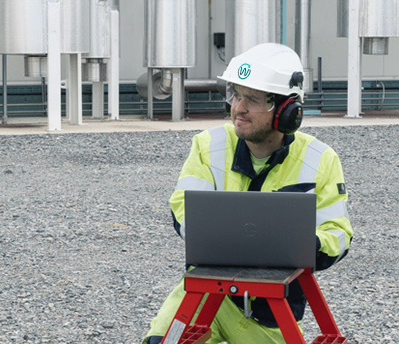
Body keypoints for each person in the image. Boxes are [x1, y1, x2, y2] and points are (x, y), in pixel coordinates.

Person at [142, 43, 354, 344]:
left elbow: (339, 234)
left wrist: (304, 245)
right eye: (235, 95)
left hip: (272, 312)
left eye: (251, 100)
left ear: (287, 110)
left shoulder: (320, 159)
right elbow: (183, 210)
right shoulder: (208, 146)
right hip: (205, 297)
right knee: (162, 341)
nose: (238, 108)